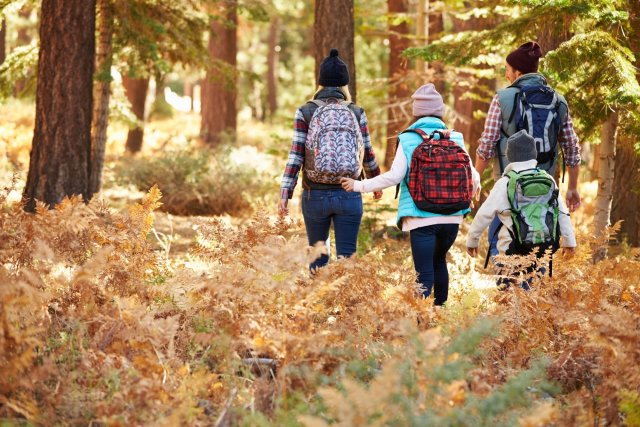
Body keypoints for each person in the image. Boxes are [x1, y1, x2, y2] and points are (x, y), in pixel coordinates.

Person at [341, 84, 480, 306]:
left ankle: (422, 323)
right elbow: (473, 176)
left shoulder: (408, 139)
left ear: (416, 111)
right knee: (439, 261)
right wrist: (469, 197)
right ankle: (440, 315)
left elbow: (394, 177)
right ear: (440, 111)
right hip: (452, 218)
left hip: (420, 216)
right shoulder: (456, 137)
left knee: (423, 273)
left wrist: (358, 186)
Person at [474, 41, 582, 259]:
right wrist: (572, 188)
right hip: (544, 188)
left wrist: (475, 177)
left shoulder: (502, 99)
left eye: (507, 69)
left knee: (502, 241)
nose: (506, 75)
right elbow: (571, 147)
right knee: (540, 244)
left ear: (517, 71)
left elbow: (487, 144)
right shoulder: (558, 101)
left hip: (509, 186)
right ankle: (533, 289)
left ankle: (509, 288)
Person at [278, 48, 382, 272]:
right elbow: (367, 151)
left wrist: (285, 194)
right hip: (349, 192)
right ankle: (345, 305)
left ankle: (319, 304)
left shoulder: (305, 111)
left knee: (317, 257)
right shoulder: (356, 111)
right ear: (345, 84)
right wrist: (375, 182)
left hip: (314, 194)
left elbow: (296, 156)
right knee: (347, 259)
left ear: (320, 83)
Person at [466, 130, 576, 288]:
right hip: (542, 247)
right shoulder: (548, 179)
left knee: (509, 292)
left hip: (511, 249)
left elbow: (484, 215)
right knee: (531, 291)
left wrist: (472, 240)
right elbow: (562, 213)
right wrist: (569, 242)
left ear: (509, 156)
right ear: (534, 155)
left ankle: (510, 308)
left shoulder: (504, 182)